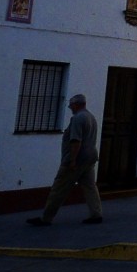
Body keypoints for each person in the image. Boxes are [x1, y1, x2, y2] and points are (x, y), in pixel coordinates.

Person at [26, 94, 103, 226]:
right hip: (90, 156)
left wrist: (72, 160)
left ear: (77, 104)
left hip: (78, 158)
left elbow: (75, 141)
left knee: (59, 188)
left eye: (71, 105)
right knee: (89, 186)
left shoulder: (78, 119)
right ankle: (96, 214)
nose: (70, 107)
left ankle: (46, 218)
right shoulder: (91, 117)